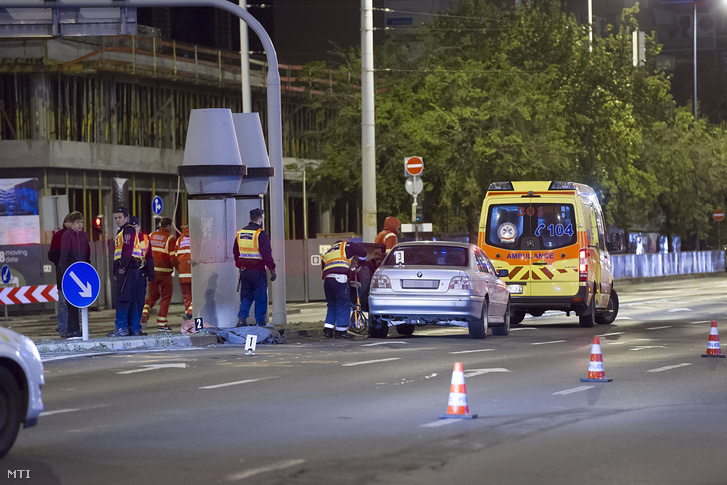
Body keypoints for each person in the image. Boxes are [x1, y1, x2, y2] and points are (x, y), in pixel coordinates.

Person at [232, 208, 276, 327]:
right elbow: (266, 254)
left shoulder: (240, 233)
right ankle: (260, 322)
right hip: (258, 270)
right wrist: (272, 269)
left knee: (246, 296)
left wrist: (239, 265)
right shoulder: (260, 234)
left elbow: (235, 251)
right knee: (260, 296)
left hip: (245, 271)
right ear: (260, 218)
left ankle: (242, 319)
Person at [321, 239, 366, 339]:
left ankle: (328, 330)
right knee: (343, 304)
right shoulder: (346, 246)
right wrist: (361, 265)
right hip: (340, 278)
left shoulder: (328, 252)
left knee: (332, 305)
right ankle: (341, 332)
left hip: (327, 280)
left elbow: (327, 268)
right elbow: (363, 252)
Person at [108, 207, 143, 337]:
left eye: (120, 217)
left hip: (127, 268)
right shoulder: (121, 232)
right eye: (116, 218)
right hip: (130, 267)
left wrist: (122, 267)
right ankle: (134, 328)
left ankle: (121, 328)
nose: (117, 220)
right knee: (131, 299)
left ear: (126, 218)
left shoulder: (128, 230)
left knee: (122, 299)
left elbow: (127, 249)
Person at [58, 211, 91, 338]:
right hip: (71, 273)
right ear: (71, 224)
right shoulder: (67, 235)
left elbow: (87, 253)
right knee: (71, 303)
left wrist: (88, 268)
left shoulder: (83, 236)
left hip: (82, 271)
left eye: (81, 222)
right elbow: (64, 255)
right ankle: (73, 329)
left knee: (79, 302)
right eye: (77, 223)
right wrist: (65, 273)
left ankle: (75, 329)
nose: (80, 225)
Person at [142, 217, 176, 331]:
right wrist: (178, 267)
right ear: (169, 226)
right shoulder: (170, 238)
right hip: (165, 273)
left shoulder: (151, 235)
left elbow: (145, 252)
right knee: (166, 296)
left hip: (152, 272)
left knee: (152, 296)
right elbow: (172, 257)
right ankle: (162, 323)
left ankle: (145, 311)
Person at [127, 216, 153, 336]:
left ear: (139, 227)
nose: (134, 229)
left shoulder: (146, 239)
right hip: (130, 275)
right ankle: (132, 327)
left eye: (136, 227)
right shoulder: (127, 239)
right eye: (132, 227)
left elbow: (149, 258)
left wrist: (151, 275)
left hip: (141, 275)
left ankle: (136, 327)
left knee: (140, 302)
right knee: (131, 302)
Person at [48, 213, 72, 338]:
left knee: (74, 302)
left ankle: (74, 328)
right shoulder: (58, 236)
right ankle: (63, 329)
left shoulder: (77, 236)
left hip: (74, 274)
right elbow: (51, 254)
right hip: (63, 273)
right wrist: (61, 264)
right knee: (63, 302)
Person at [175, 225, 193, 321]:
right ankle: (190, 313)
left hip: (183, 274)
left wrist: (179, 268)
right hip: (194, 273)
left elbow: (175, 256)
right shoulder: (196, 238)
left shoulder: (180, 240)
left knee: (187, 298)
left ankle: (188, 321)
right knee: (197, 297)